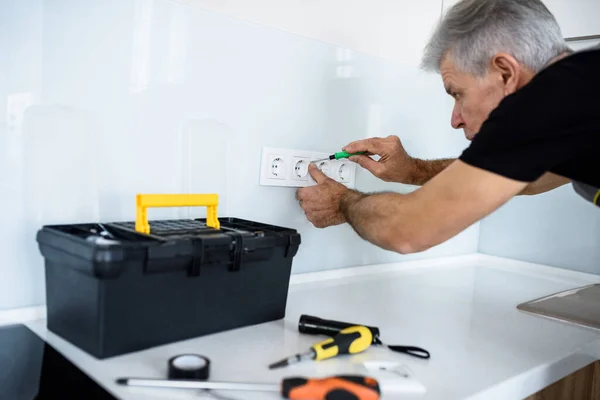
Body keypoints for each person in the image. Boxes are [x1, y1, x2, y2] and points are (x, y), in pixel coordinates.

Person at [296, 0, 599, 254]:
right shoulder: (579, 90)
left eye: (457, 93)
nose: (455, 120)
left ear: (505, 73)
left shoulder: (549, 98)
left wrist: (342, 202)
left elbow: (406, 230)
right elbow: (531, 179)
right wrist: (413, 170)